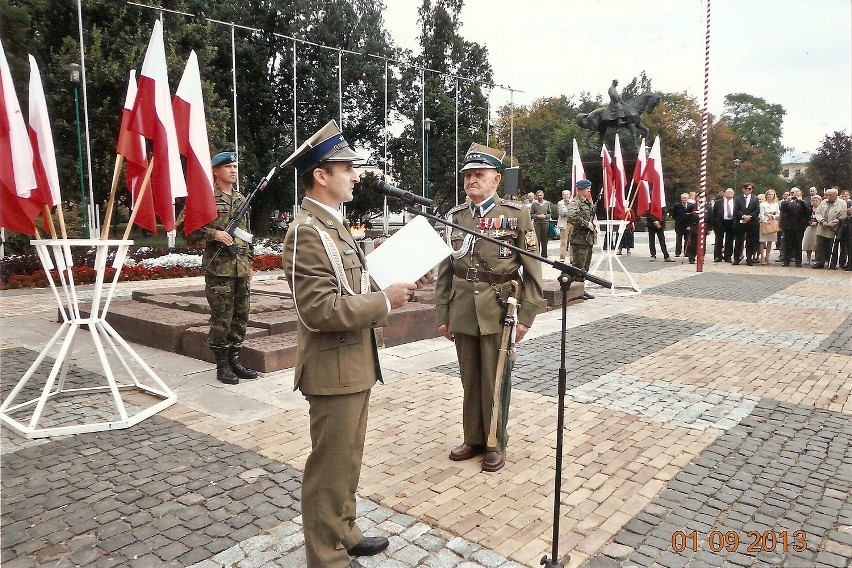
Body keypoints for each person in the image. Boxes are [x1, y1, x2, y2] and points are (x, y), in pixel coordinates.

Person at [281, 121, 429, 568]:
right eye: (346, 167)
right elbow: (319, 311)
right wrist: (385, 300)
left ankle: (344, 531)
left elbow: (351, 284)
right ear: (320, 175)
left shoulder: (334, 226)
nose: (355, 175)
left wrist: (393, 278)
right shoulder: (307, 230)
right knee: (328, 472)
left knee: (347, 462)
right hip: (332, 369)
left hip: (354, 364)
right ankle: (326, 558)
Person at [435, 143, 543, 473]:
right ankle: (474, 438)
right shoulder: (455, 217)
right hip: (463, 310)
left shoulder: (515, 215)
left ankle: (495, 442)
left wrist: (526, 316)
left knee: (496, 380)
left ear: (496, 179)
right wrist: (443, 313)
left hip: (499, 311)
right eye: (468, 175)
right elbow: (445, 269)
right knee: (470, 379)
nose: (472, 180)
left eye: (479, 175)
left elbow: (533, 270)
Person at [189, 151, 258, 385]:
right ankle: (222, 364)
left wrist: (250, 262)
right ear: (216, 171)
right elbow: (186, 230)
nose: (233, 170)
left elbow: (247, 236)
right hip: (219, 270)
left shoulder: (241, 199)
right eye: (228, 166)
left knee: (241, 316)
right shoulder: (205, 198)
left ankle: (235, 360)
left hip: (240, 269)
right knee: (222, 318)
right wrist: (214, 234)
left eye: (235, 166)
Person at [813, 187, 846, 269]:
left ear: (836, 195)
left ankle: (832, 263)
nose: (827, 196)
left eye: (830, 195)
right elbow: (818, 213)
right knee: (820, 246)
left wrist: (830, 223)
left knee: (832, 246)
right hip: (822, 227)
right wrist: (822, 221)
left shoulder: (842, 203)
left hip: (833, 228)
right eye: (826, 195)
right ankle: (820, 262)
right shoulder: (824, 202)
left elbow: (842, 216)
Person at [568, 179, 597, 271]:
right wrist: (586, 224)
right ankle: (577, 285)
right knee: (578, 269)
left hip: (588, 240)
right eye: (587, 188)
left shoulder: (588, 203)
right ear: (580, 189)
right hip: (579, 241)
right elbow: (572, 216)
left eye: (589, 188)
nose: (589, 190)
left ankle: (581, 284)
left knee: (585, 269)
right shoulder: (575, 202)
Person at [779, 187, 810, 267]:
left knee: (798, 244)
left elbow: (807, 211)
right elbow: (782, 209)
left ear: (800, 193)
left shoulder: (804, 202)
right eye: (792, 192)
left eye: (796, 192)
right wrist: (786, 201)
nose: (794, 194)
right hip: (788, 226)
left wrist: (801, 201)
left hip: (799, 226)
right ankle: (786, 261)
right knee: (787, 244)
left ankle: (798, 261)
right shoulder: (787, 202)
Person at [733, 183, 760, 265]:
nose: (747, 190)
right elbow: (736, 209)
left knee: (750, 241)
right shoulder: (738, 198)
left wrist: (750, 216)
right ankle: (737, 258)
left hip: (752, 222)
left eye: (750, 189)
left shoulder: (755, 199)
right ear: (743, 189)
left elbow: (757, 210)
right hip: (741, 222)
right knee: (739, 241)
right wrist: (743, 216)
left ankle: (749, 258)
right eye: (746, 188)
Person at [712, 188, 736, 262]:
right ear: (725, 193)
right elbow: (714, 214)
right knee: (719, 239)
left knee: (730, 240)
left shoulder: (736, 202)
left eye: (731, 192)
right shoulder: (718, 202)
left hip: (731, 222)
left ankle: (727, 256)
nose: (729, 193)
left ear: (733, 194)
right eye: (728, 192)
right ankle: (718, 256)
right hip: (721, 222)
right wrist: (714, 224)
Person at [758, 189, 781, 265]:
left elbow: (778, 213)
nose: (770, 196)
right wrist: (765, 220)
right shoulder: (763, 204)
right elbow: (761, 215)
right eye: (769, 194)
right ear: (766, 195)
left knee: (770, 242)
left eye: (772, 194)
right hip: (765, 222)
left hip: (773, 222)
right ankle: (762, 257)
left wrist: (773, 216)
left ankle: (767, 257)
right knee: (762, 241)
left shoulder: (776, 204)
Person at [530, 190, 552, 257]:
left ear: (543, 195)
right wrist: (537, 216)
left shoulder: (547, 203)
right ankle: (537, 254)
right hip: (537, 223)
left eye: (541, 195)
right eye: (538, 195)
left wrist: (545, 216)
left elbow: (550, 214)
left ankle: (544, 254)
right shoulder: (534, 204)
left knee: (545, 239)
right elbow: (531, 214)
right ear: (536, 196)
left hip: (545, 223)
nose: (539, 197)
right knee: (537, 239)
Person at [671, 192, 693, 257]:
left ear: (688, 198)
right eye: (683, 198)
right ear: (681, 198)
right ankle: (678, 252)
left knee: (687, 240)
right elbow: (674, 215)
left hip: (688, 225)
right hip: (679, 225)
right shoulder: (677, 205)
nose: (684, 199)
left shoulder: (691, 205)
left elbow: (692, 216)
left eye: (685, 198)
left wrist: (689, 225)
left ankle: (687, 253)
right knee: (678, 240)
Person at [803, 195, 821, 264]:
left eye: (816, 201)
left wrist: (816, 222)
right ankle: (808, 259)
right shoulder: (809, 209)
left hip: (818, 227)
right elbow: (805, 217)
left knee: (817, 244)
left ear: (820, 202)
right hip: (809, 227)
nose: (815, 202)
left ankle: (816, 259)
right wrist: (809, 222)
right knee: (808, 243)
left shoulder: (821, 209)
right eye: (813, 201)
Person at [557, 189, 573, 260]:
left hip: (572, 224)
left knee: (572, 242)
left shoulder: (573, 202)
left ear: (569, 195)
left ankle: (572, 258)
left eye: (567, 195)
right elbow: (562, 213)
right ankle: (562, 258)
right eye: (565, 195)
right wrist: (570, 211)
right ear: (562, 196)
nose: (566, 196)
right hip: (564, 224)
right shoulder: (560, 203)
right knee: (563, 242)